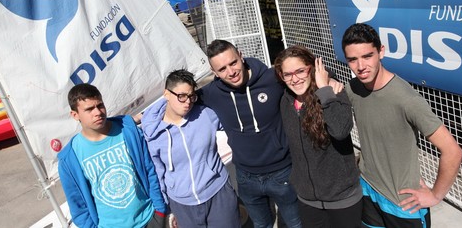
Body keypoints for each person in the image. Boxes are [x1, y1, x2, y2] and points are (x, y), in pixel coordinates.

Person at [341, 23, 462, 228]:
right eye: (353, 59)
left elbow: (452, 151)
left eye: (367, 56)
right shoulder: (353, 88)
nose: (360, 66)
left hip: (403, 202)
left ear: (381, 52)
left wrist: (435, 195)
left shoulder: (406, 99)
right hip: (367, 190)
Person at [198, 39, 302, 228]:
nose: (231, 72)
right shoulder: (212, 93)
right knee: (261, 225)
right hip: (246, 177)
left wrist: (330, 82)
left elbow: (303, 75)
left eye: (233, 63)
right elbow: (179, 99)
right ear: (214, 73)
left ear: (241, 55)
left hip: (282, 173)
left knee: (296, 224)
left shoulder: (272, 78)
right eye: (222, 69)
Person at [273, 45, 362, 228]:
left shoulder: (333, 91)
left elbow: (340, 130)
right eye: (288, 74)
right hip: (307, 199)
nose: (295, 79)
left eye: (300, 71)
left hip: (342, 198)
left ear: (312, 68)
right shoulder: (285, 100)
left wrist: (324, 91)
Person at [141, 69, 241, 228]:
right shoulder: (152, 132)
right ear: (166, 94)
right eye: (181, 96)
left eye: (191, 96)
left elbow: (238, 125)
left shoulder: (206, 115)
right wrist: (167, 208)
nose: (187, 102)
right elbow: (158, 172)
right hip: (182, 204)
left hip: (218, 192)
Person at [58, 83, 167, 228]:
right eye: (89, 109)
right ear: (75, 115)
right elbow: (77, 206)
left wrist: (159, 211)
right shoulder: (69, 159)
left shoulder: (128, 131)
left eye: (100, 105)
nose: (98, 112)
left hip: (150, 219)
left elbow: (150, 171)